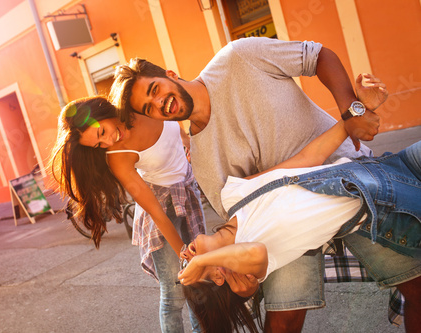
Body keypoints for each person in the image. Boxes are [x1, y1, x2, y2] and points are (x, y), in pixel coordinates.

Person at [109, 36, 420, 332]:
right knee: (282, 321)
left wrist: (351, 108)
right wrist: (243, 280)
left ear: (170, 74)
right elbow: (246, 226)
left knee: (416, 286)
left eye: (155, 89)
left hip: (353, 183)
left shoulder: (238, 57)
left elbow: (319, 56)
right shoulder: (202, 161)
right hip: (292, 222)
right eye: (148, 108)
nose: (160, 103)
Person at [175, 119, 421, 332]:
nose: (185, 253)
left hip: (385, 167)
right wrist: (200, 262)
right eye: (188, 265)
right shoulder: (253, 260)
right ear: (218, 276)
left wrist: (351, 118)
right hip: (390, 205)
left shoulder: (233, 196)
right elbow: (254, 252)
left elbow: (307, 159)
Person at [49, 96, 206, 332]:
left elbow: (177, 124)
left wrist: (187, 144)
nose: (108, 140)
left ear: (103, 111)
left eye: (103, 131)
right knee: (175, 293)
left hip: (188, 194)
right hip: (161, 211)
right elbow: (155, 212)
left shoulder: (142, 103)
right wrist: (184, 254)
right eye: (99, 144)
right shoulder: (118, 156)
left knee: (200, 284)